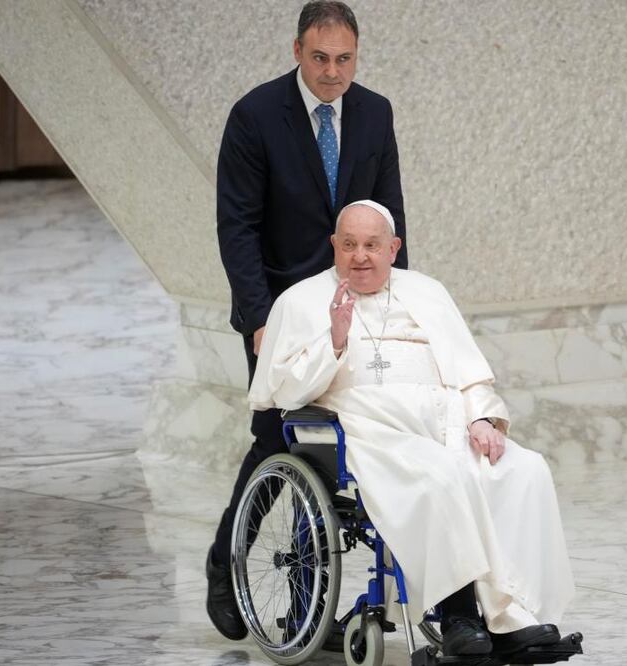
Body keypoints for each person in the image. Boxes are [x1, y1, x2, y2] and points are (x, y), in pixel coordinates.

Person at [248, 201, 575, 656]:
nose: (360, 256)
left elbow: (467, 372)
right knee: (441, 475)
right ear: (333, 246)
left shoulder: (427, 291)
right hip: (369, 431)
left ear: (393, 248)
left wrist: (480, 417)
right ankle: (459, 615)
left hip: (447, 424)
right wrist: (334, 339)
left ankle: (515, 614)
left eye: (372, 245)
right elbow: (284, 392)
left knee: (525, 470)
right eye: (349, 245)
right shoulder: (300, 301)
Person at [209, 1, 407, 640]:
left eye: (344, 59)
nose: (331, 73)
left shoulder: (374, 113)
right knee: (279, 438)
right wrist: (258, 320)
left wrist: (400, 305)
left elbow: (389, 217)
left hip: (355, 302)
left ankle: (303, 609)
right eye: (319, 58)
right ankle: (226, 565)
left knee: (336, 445)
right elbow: (237, 227)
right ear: (297, 51)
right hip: (282, 309)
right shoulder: (255, 116)